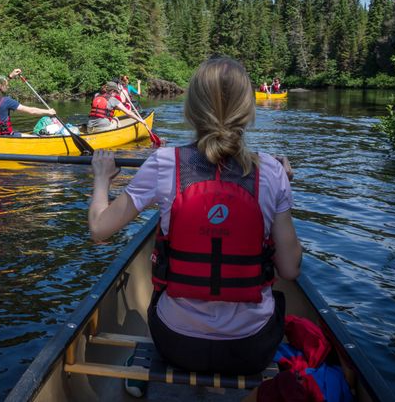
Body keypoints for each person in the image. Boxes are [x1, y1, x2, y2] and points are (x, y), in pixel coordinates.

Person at [88, 57, 301, 395]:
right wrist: (283, 187)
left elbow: (99, 229)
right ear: (248, 110)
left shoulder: (163, 163)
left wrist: (101, 180)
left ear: (192, 108)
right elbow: (289, 269)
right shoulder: (273, 172)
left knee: (159, 297)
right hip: (250, 350)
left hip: (178, 345)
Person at [0, 68, 55, 136]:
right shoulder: (7, 101)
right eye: (6, 85)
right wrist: (48, 111)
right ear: (0, 86)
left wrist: (10, 76)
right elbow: (31, 111)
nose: (8, 87)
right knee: (34, 137)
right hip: (5, 136)